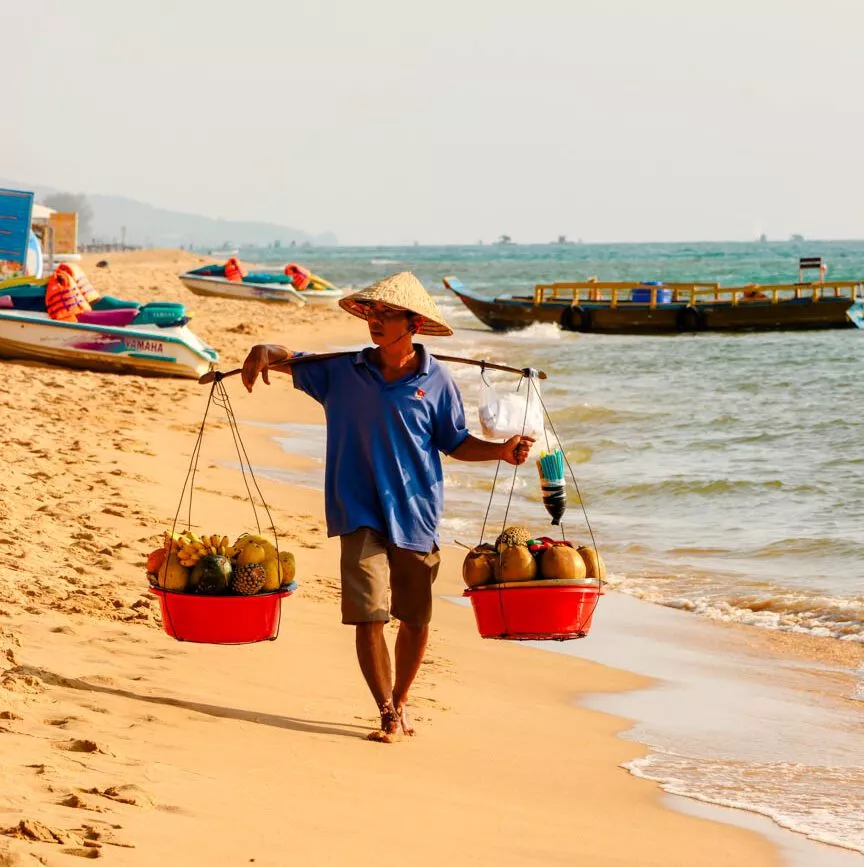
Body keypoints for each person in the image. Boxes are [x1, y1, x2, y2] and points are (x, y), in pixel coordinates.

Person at [241, 272, 534, 743]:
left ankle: (401, 697)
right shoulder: (341, 372)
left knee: (415, 619)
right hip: (356, 510)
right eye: (371, 313)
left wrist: (500, 450)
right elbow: (288, 359)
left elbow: (455, 441)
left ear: (413, 323)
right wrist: (264, 350)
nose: (375, 321)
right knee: (369, 612)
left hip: (416, 513)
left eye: (386, 314)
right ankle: (386, 712)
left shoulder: (437, 381)